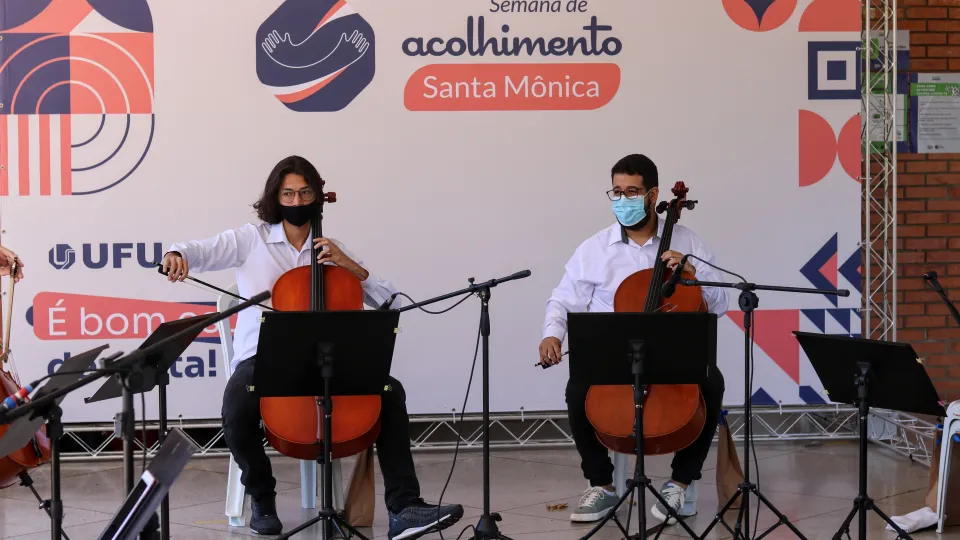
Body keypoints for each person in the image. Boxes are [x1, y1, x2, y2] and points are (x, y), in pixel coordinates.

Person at [161, 155, 463, 539]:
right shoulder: (251, 240)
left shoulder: (330, 248)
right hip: (265, 359)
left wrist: (350, 266)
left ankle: (404, 508)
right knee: (236, 406)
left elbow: (392, 302)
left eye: (305, 192)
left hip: (330, 358)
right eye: (288, 193)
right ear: (276, 197)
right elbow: (197, 249)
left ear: (317, 198)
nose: (297, 201)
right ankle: (262, 498)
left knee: (390, 392)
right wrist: (177, 254)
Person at [538, 154, 728, 525]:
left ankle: (680, 483)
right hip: (614, 354)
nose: (622, 199)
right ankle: (602, 485)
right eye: (617, 192)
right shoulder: (593, 248)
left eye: (632, 191)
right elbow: (562, 298)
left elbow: (720, 304)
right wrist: (552, 335)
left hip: (671, 354)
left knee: (711, 382)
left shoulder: (689, 243)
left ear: (653, 194)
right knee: (578, 389)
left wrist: (692, 276)